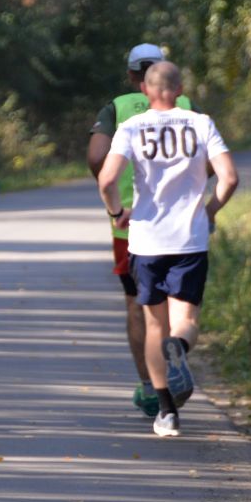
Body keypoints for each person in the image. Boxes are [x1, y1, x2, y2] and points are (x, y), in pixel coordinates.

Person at [97, 61, 238, 438]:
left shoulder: (131, 127)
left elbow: (107, 178)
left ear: (145, 89)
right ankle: (179, 347)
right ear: (179, 88)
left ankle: (166, 413)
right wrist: (210, 210)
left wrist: (116, 213)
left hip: (146, 240)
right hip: (189, 239)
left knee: (153, 327)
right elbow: (229, 177)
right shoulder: (201, 123)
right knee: (185, 322)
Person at [86, 43, 194, 419]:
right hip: (182, 224)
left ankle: (152, 389)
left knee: (138, 306)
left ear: (132, 75)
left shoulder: (116, 108)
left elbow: (97, 158)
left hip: (130, 227)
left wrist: (115, 201)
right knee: (180, 303)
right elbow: (211, 162)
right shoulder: (187, 106)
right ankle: (176, 348)